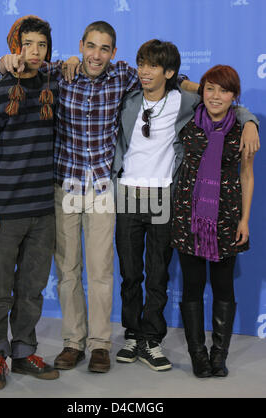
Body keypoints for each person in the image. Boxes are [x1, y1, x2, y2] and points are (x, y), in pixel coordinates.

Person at [0, 22, 260, 374]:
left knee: (130, 272)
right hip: (85, 188)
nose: (96, 55)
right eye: (90, 47)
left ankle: (123, 342)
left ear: (114, 54)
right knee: (88, 272)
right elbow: (25, 66)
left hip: (133, 192)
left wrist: (249, 118)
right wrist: (4, 61)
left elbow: (216, 98)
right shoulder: (75, 74)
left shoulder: (150, 86)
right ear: (81, 46)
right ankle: (86, 341)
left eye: (104, 48)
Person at [111, 41, 259, 372]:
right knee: (130, 273)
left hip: (166, 195)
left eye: (153, 66)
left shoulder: (186, 102)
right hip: (127, 193)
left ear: (170, 72)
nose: (145, 71)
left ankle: (152, 339)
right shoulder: (127, 95)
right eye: (141, 64)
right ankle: (133, 333)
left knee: (159, 273)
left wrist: (251, 121)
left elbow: (230, 107)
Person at [0, 15, 59, 390]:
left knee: (32, 289)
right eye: (28, 45)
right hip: (4, 214)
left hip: (42, 210)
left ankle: (23, 353)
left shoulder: (54, 87)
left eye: (41, 45)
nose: (35, 52)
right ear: (15, 47)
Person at [171, 65, 255, 378]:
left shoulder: (242, 129)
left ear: (235, 96)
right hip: (189, 217)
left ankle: (219, 356)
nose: (215, 96)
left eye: (224, 90)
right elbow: (177, 82)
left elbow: (246, 175)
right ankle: (198, 355)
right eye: (210, 89)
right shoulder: (187, 120)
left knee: (223, 289)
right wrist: (199, 85)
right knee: (192, 288)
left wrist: (245, 219)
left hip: (227, 218)